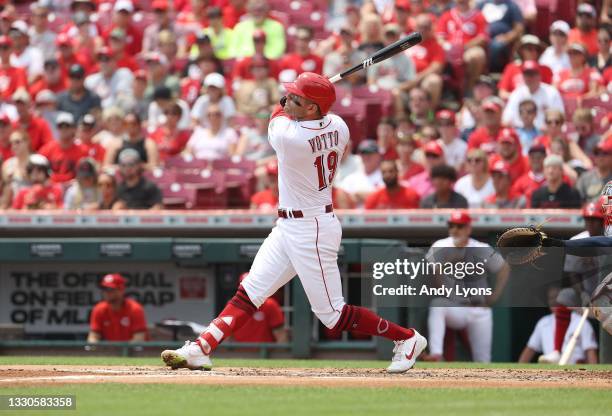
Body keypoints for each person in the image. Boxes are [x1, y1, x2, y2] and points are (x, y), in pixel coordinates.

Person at [161, 72, 428, 373]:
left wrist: (296, 100)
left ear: (313, 108)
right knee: (250, 291)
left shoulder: (290, 137)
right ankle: (202, 348)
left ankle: (406, 339)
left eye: (296, 99)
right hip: (289, 226)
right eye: (290, 96)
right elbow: (304, 110)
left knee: (332, 315)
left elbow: (277, 113)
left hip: (311, 229)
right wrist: (306, 96)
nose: (287, 100)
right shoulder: (339, 126)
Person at [426, 211, 510, 362]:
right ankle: (436, 354)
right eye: (452, 226)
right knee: (437, 305)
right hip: (454, 306)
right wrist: (449, 260)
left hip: (478, 307)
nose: (455, 230)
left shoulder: (480, 247)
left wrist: (495, 295)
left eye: (459, 226)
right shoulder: (440, 245)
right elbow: (433, 276)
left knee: (483, 360)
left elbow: (504, 268)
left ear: (468, 229)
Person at [518, 287, 598, 364]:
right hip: (551, 372)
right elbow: (530, 349)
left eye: (557, 297)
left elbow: (590, 352)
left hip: (575, 371)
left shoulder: (581, 321)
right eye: (551, 298)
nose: (554, 301)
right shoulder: (543, 322)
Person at [436, 0, 488, 93]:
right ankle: (445, 90)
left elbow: (482, 38)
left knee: (476, 55)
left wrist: (463, 47)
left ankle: (469, 89)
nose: (461, 2)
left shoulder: (478, 15)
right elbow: (439, 37)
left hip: (467, 49)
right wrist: (447, 46)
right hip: (448, 49)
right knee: (437, 57)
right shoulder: (447, 15)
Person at [502, 61, 565, 131]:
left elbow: (560, 119)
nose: (530, 78)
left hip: (545, 134)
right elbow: (506, 119)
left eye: (532, 74)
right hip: (520, 133)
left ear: (539, 75)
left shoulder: (551, 93)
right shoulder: (517, 93)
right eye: (527, 75)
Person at [88, 273, 148, 343]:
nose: (106, 292)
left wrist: (121, 351)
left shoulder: (135, 309)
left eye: (110, 289)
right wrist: (93, 346)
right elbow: (93, 336)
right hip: (111, 351)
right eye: (104, 289)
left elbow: (138, 339)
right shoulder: (99, 309)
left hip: (136, 352)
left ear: (121, 290)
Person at [232, 272, 287, 343]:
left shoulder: (270, 304)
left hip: (264, 353)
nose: (248, 290)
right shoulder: (233, 305)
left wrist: (279, 353)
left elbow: (281, 335)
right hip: (239, 353)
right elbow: (227, 336)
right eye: (244, 287)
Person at [39, 112, 86, 183]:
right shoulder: (48, 149)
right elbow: (37, 167)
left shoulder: (82, 150)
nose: (64, 129)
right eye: (60, 126)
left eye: (67, 126)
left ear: (73, 128)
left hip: (73, 187)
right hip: (51, 186)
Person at [336, 139, 384, 206]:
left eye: (370, 153)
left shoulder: (385, 175)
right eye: (364, 153)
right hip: (354, 216)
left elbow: (386, 197)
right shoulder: (352, 178)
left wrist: (358, 195)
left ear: (378, 155)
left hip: (378, 216)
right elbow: (340, 196)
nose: (366, 157)